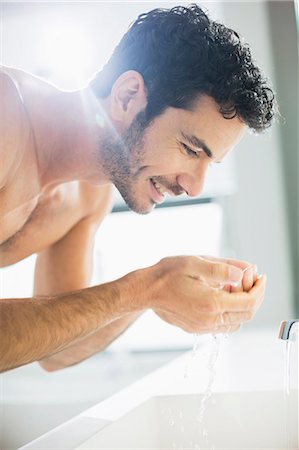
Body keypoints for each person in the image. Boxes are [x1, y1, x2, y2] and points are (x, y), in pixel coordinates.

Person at [0, 4, 274, 373]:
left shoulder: (88, 196)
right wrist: (146, 287)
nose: (194, 187)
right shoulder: (6, 120)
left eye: (210, 164)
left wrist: (159, 296)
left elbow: (55, 351)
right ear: (128, 96)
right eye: (190, 149)